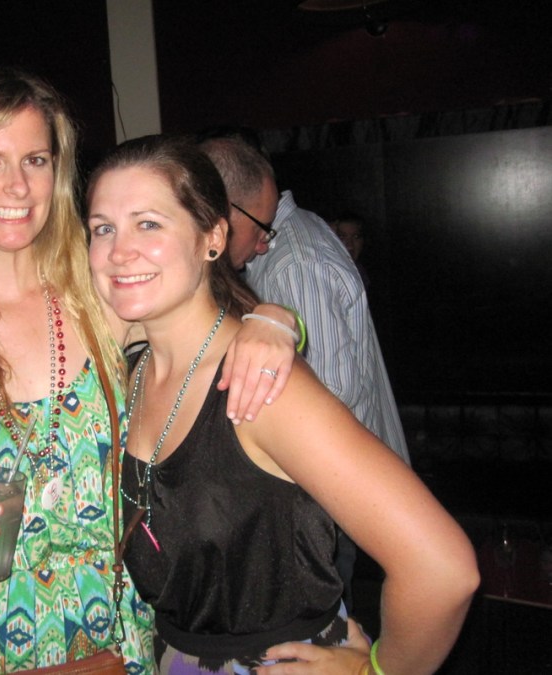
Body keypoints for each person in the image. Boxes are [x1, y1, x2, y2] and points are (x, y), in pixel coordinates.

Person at [0, 66, 298, 674]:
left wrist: (276, 321)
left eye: (35, 160)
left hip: (116, 629)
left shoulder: (105, 300)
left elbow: (215, 319)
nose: (17, 186)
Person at [86, 134, 478, 675]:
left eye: (148, 223)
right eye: (102, 228)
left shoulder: (263, 386)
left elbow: (443, 569)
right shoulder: (129, 369)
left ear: (213, 237)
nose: (118, 251)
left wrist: (376, 671)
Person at [199, 132, 409, 608]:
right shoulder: (290, 241)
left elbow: (331, 393)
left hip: (325, 494)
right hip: (327, 487)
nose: (262, 246)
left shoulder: (295, 262)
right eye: (261, 228)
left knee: (322, 615)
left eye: (267, 228)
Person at [330, 213, 369, 292]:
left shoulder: (362, 274)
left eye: (356, 237)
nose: (350, 244)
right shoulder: (324, 272)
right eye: (342, 237)